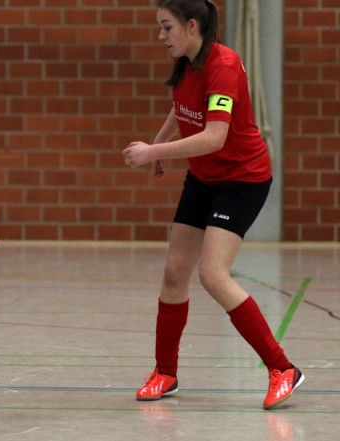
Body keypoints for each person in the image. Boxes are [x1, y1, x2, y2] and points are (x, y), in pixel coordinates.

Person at [122, 0, 303, 410]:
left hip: (241, 179)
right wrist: (160, 143)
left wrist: (152, 153)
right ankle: (165, 372)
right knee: (173, 272)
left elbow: (214, 137)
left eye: (166, 27)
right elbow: (182, 107)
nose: (160, 36)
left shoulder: (223, 65)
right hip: (204, 177)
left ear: (191, 25)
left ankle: (282, 368)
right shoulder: (188, 60)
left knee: (212, 274)